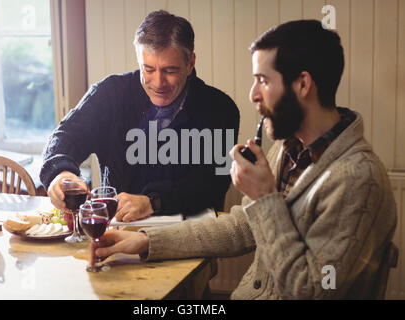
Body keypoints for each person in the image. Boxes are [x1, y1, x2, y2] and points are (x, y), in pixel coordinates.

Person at [91, 20, 397, 299]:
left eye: (263, 80)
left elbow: (311, 290)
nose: (253, 94)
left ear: (303, 85)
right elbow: (242, 227)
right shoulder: (290, 148)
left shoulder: (358, 179)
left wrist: (265, 197)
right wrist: (146, 241)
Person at [40, 10, 239, 222]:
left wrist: (153, 202)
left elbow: (214, 185)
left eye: (170, 71)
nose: (158, 82)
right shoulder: (110, 93)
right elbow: (65, 136)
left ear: (190, 63)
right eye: (149, 69)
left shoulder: (221, 109)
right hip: (118, 236)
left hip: (191, 238)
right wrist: (60, 173)